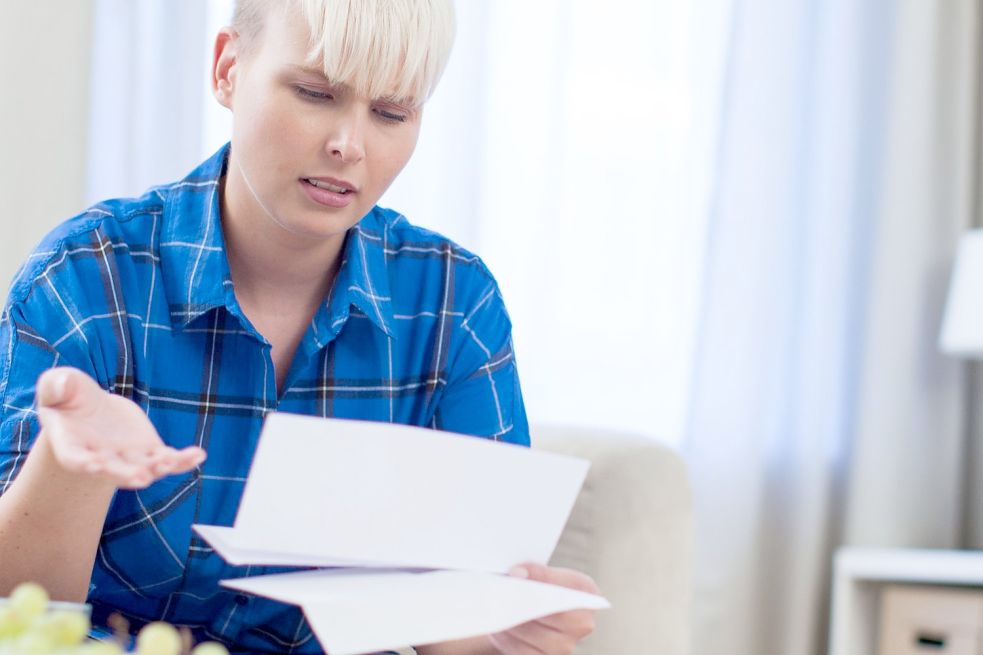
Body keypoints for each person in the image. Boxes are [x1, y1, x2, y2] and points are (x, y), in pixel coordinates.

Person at [0, 0, 599, 653]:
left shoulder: (454, 303)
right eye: (315, 93)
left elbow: (456, 625)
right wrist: (69, 467)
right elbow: (19, 611)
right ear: (228, 69)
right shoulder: (87, 278)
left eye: (392, 112)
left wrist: (510, 636)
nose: (350, 144)